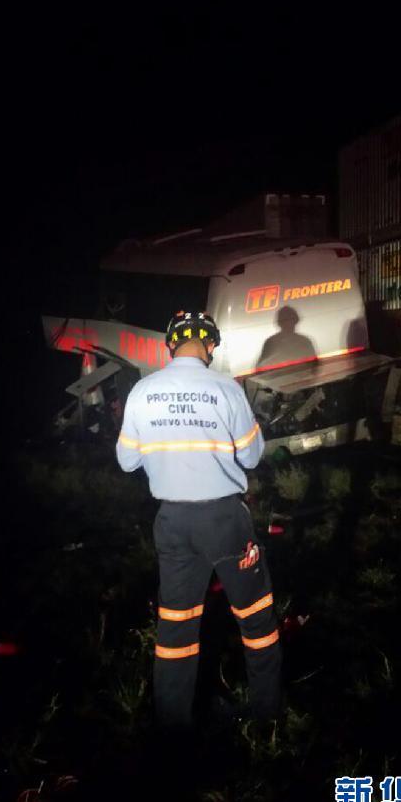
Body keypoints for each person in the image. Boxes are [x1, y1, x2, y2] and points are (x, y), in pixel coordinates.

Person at [116, 310, 281, 729]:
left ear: (170, 345)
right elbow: (251, 456)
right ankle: (266, 718)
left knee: (176, 626)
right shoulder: (227, 388)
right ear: (210, 345)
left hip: (172, 522)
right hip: (224, 520)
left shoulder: (142, 391)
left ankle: (173, 726)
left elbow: (127, 460)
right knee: (256, 617)